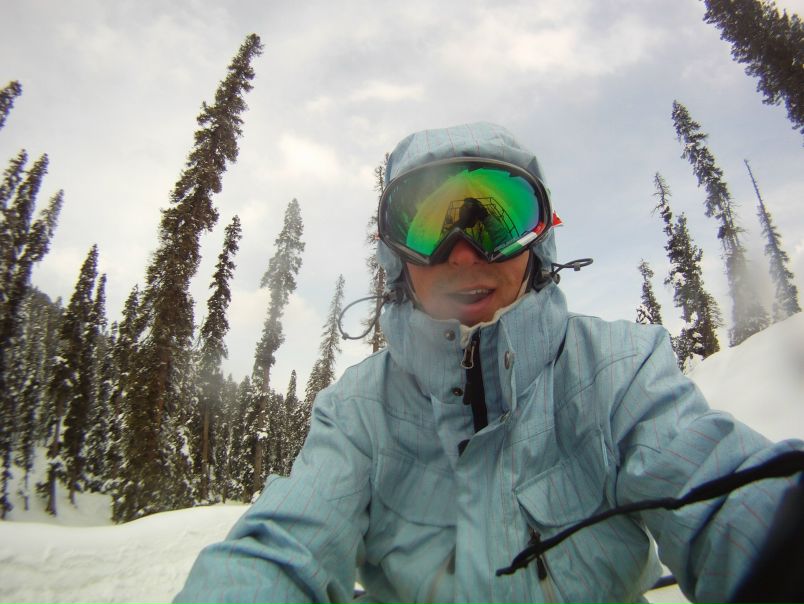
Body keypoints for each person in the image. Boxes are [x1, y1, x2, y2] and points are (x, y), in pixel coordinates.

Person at [175, 122, 802, 603]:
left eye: (495, 222)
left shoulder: (619, 371)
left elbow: (718, 489)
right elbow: (284, 549)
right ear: (398, 260)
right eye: (429, 228)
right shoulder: (360, 413)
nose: (463, 255)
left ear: (537, 244)